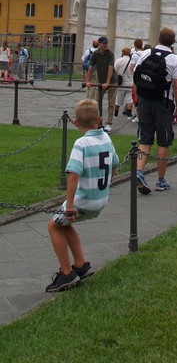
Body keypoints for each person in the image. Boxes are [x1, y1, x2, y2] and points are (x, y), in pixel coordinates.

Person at [45, 98, 118, 292]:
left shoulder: (82, 143)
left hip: (84, 200)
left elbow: (73, 175)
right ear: (100, 119)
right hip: (100, 198)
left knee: (53, 226)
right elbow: (115, 163)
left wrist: (69, 205)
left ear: (76, 122)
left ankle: (66, 272)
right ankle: (80, 263)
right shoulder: (106, 139)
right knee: (65, 226)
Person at [133, 27, 177, 193]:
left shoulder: (146, 54)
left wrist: (137, 100)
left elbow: (136, 77)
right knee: (164, 140)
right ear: (173, 42)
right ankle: (161, 180)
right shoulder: (174, 59)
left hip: (145, 100)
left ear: (158, 39)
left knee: (145, 139)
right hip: (163, 102)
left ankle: (139, 171)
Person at [85, 36, 116, 131]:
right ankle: (97, 121)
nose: (105, 45)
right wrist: (88, 81)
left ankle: (109, 123)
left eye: (106, 43)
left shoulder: (110, 54)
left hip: (112, 81)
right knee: (97, 101)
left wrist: (107, 82)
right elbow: (90, 67)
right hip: (100, 81)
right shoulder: (95, 53)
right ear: (99, 44)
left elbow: (110, 68)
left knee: (111, 103)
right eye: (103, 43)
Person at [114, 46, 133, 117]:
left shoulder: (118, 61)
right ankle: (129, 114)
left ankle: (116, 114)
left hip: (121, 83)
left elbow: (115, 70)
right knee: (129, 100)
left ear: (123, 52)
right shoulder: (131, 62)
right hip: (130, 83)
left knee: (118, 100)